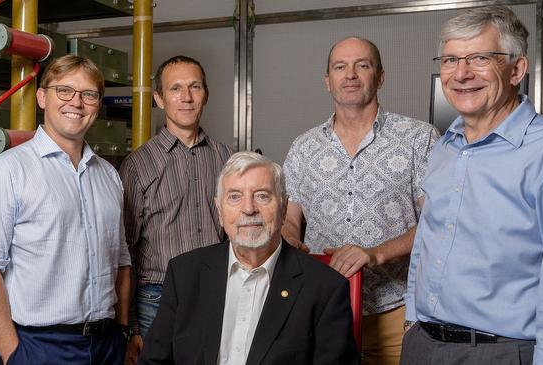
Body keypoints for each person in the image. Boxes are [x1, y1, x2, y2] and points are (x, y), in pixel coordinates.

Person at [402, 6, 543, 365]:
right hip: (423, 346)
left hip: (502, 353)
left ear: (516, 69)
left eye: (479, 58)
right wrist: (413, 315)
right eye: (450, 60)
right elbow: (429, 241)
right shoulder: (445, 147)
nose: (461, 74)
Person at [0, 55, 131, 365]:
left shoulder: (109, 175)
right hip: (39, 347)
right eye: (64, 91)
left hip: (107, 346)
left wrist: (121, 331)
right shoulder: (7, 172)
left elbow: (120, 258)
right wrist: (14, 354)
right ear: (42, 97)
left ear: (97, 104)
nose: (76, 103)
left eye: (88, 95)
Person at [282, 36, 438, 365]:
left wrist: (375, 254)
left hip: (396, 311)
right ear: (328, 81)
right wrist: (288, 238)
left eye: (362, 65)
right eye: (340, 67)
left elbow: (437, 222)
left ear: (380, 76)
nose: (350, 74)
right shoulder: (303, 148)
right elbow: (290, 216)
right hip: (320, 308)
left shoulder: (418, 138)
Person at [137, 151, 359, 365]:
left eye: (262, 196)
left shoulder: (325, 288)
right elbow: (154, 360)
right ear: (220, 211)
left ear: (283, 208)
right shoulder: (184, 273)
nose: (249, 208)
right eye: (235, 197)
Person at [119, 55, 232, 363]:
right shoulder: (138, 164)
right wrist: (132, 328)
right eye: (175, 88)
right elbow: (124, 251)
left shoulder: (228, 158)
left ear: (206, 94)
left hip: (218, 290)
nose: (186, 97)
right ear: (159, 98)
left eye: (195, 87)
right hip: (156, 297)